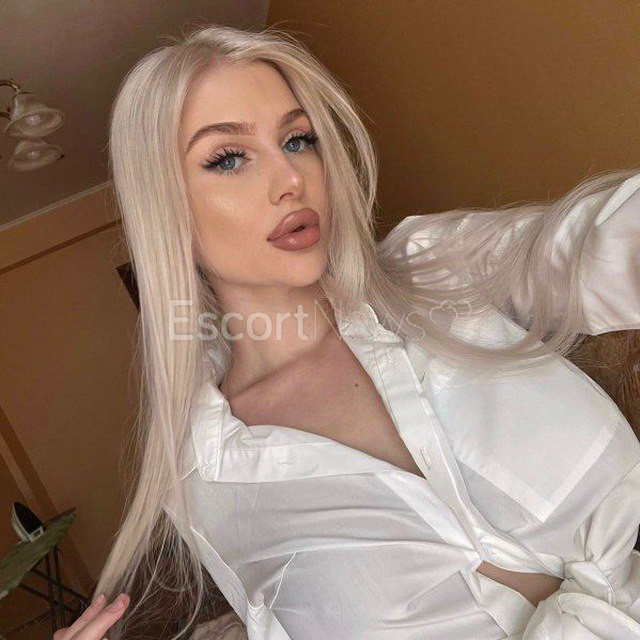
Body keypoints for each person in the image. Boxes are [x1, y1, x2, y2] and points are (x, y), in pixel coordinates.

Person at [57, 22, 640, 640]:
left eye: (298, 139)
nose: (291, 178)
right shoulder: (207, 483)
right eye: (229, 158)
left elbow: (597, 243)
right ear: (163, 208)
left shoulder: (439, 268)